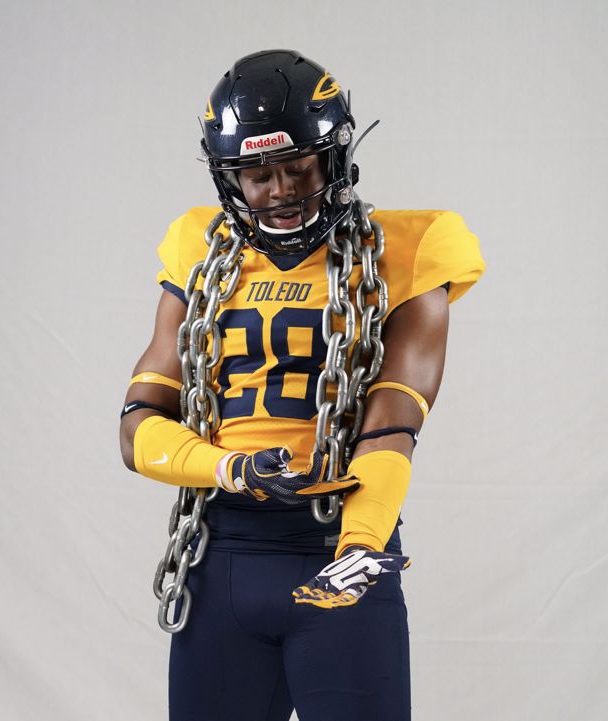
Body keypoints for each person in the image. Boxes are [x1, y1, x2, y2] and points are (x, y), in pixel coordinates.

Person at [120, 49, 485, 721]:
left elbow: (393, 424)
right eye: (258, 175)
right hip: (223, 555)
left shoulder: (408, 247)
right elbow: (139, 424)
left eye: (298, 168)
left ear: (335, 158)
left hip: (339, 544)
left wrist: (361, 544)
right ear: (230, 177)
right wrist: (231, 468)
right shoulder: (200, 248)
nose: (280, 190)